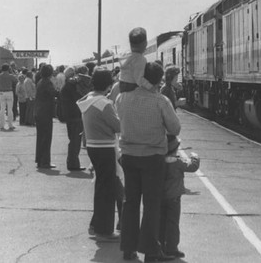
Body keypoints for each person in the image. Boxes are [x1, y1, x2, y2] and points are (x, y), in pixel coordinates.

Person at [116, 61, 181, 262]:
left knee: (130, 202)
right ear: (159, 80)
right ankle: (151, 251)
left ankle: (128, 249)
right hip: (153, 158)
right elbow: (175, 129)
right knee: (152, 204)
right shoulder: (161, 101)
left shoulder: (122, 98)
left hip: (129, 156)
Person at [77, 69, 121, 241]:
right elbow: (118, 127)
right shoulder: (104, 103)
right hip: (105, 147)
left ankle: (96, 225)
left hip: (93, 146)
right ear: (108, 85)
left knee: (101, 187)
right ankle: (105, 230)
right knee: (108, 190)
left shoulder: (87, 99)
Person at [159, 137, 199, 259]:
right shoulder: (178, 162)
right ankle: (172, 248)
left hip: (161, 197)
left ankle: (161, 246)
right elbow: (192, 167)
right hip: (174, 198)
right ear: (175, 149)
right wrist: (195, 157)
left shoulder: (159, 161)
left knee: (161, 222)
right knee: (173, 223)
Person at [60, 66, 85, 171]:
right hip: (74, 115)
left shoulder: (65, 85)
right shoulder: (71, 86)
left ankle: (72, 163)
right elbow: (78, 98)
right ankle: (73, 163)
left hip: (69, 115)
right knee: (75, 140)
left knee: (73, 139)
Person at [34, 64, 57, 168]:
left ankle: (40, 160)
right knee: (46, 138)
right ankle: (45, 161)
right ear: (50, 73)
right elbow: (54, 93)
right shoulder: (47, 82)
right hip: (45, 112)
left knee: (41, 137)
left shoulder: (40, 81)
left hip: (40, 112)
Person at [119, 27, 154, 93]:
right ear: (145, 44)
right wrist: (151, 87)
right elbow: (139, 79)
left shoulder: (125, 55)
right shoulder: (140, 59)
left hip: (122, 85)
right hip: (132, 87)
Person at [0, 63, 17, 131]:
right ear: (8, 69)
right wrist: (11, 71)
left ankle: (1, 126)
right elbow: (16, 80)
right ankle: (10, 125)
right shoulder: (10, 76)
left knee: (2, 110)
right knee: (10, 110)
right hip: (9, 92)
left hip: (1, 92)